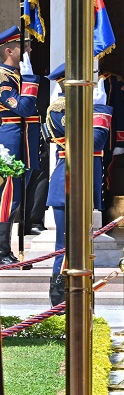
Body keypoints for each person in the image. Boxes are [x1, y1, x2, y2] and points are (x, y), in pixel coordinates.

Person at [44, 64, 112, 306]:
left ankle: (77, 300)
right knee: (67, 246)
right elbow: (95, 142)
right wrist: (100, 110)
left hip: (77, 184)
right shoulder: (62, 110)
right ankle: (61, 301)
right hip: (69, 186)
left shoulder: (77, 109)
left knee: (80, 246)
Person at [0, 26, 40, 269]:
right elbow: (23, 109)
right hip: (10, 144)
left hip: (21, 143)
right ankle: (2, 250)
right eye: (23, 47)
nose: (28, 51)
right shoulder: (3, 78)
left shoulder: (15, 77)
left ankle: (6, 250)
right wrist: (30, 81)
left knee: (15, 200)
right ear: (9, 51)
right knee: (7, 199)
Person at [99, 69, 124, 213]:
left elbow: (119, 111)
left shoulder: (111, 81)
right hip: (80, 136)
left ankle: (102, 210)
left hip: (105, 137)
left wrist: (120, 140)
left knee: (103, 176)